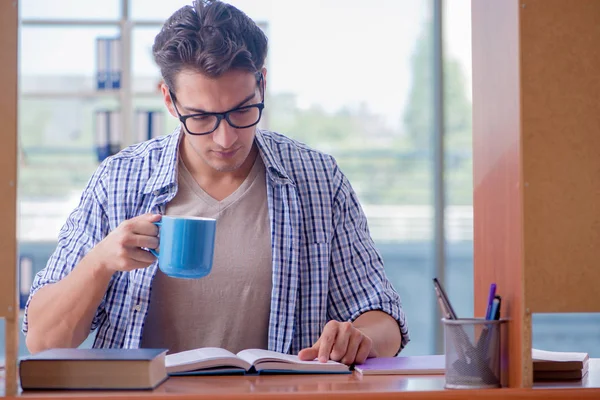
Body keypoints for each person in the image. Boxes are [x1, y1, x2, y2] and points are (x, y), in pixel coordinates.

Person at [23, 0, 409, 366]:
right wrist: (99, 263)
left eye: (242, 110)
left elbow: (384, 317)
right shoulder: (119, 180)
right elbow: (42, 340)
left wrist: (359, 338)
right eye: (202, 117)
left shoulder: (318, 180)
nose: (225, 139)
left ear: (262, 84)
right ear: (169, 101)